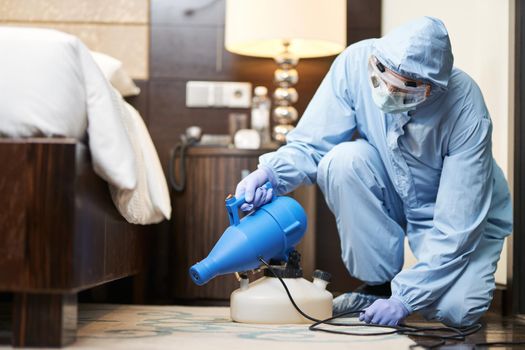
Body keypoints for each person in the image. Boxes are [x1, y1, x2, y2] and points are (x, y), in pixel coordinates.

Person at [234, 16, 512, 328]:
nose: (388, 93)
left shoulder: (465, 108)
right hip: (394, 185)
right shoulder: (355, 62)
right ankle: (378, 287)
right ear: (374, 61)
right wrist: (270, 173)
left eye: (404, 90)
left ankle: (405, 293)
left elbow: (457, 228)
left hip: (459, 214)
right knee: (343, 160)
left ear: (431, 89)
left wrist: (406, 299)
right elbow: (312, 144)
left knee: (456, 312)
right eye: (382, 81)